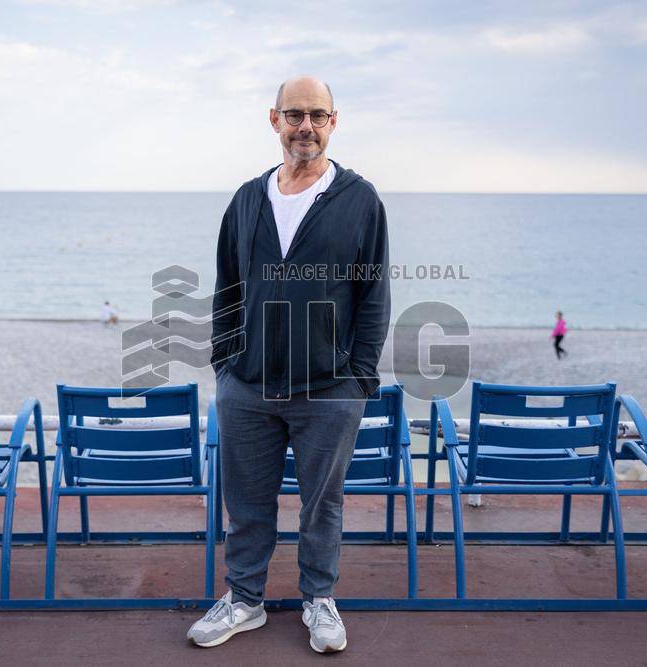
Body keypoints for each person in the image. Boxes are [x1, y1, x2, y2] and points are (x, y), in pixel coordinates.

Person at [189, 76, 390, 654]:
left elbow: (373, 293)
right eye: (295, 114)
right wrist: (224, 365)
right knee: (246, 503)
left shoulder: (360, 199)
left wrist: (360, 377)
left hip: (329, 388)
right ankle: (244, 600)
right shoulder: (248, 198)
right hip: (247, 385)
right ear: (273, 119)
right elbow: (227, 284)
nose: (307, 126)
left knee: (320, 505)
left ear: (334, 121)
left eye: (318, 115)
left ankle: (318, 600)